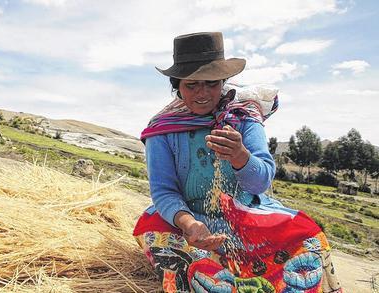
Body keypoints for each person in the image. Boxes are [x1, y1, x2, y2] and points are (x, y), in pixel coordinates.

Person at [133, 32, 342, 293]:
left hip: (248, 219)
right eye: (192, 85)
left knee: (310, 242)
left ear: (223, 82)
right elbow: (164, 192)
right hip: (188, 222)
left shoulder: (244, 118)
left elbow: (261, 181)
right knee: (167, 244)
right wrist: (189, 224)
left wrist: (241, 156)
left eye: (211, 83)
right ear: (177, 87)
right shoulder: (162, 130)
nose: (202, 93)